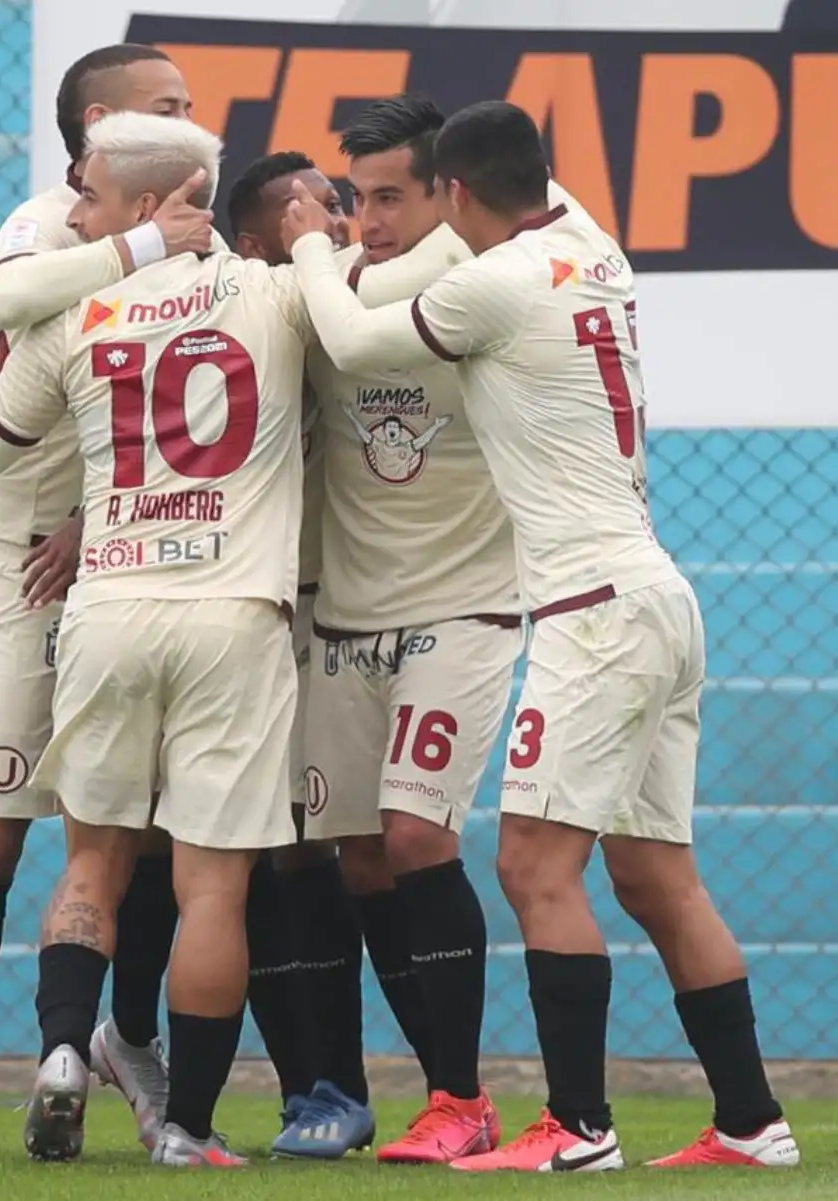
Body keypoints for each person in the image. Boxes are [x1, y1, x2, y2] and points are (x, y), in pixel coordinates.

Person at [282, 100, 799, 1172]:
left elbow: (358, 334)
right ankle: (753, 1123)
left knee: (534, 865)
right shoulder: (588, 243)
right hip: (657, 593)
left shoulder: (496, 281)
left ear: (456, 195)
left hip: (591, 611)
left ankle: (579, 1127)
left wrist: (306, 250)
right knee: (660, 879)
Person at [0, 111, 321, 1169]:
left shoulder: (79, 309)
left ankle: (65, 1050)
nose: (75, 214)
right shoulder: (278, 294)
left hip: (107, 608)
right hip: (235, 616)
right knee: (213, 886)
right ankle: (190, 1131)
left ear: (152, 206)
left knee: (94, 863)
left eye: (92, 196)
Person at [0, 42, 214, 1162]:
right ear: (97, 127)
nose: (193, 117)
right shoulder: (54, 225)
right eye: (167, 104)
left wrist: (112, 511)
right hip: (23, 565)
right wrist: (144, 242)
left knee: (136, 822)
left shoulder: (206, 248)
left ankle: (125, 1036)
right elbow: (13, 298)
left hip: (141, 568)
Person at [276, 96, 534, 1166]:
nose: (372, 217)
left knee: (421, 833)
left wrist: (302, 248)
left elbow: (344, 309)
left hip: (462, 605)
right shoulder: (333, 279)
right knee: (362, 859)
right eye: (358, 198)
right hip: (345, 612)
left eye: (395, 195)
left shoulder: (451, 280)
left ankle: (459, 1093)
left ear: (447, 195)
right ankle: (441, 1095)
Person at [223, 150, 378, 1159]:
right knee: (259, 848)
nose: (349, 217)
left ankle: (357, 1086)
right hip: (238, 605)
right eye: (329, 203)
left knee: (334, 843)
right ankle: (308, 1091)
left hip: (339, 604)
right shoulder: (245, 303)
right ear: (275, 228)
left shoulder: (347, 295)